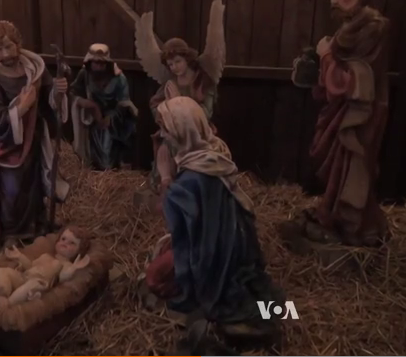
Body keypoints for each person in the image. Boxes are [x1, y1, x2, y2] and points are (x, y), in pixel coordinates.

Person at [144, 96, 285, 340]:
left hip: (207, 253)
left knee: (154, 277)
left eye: (166, 129)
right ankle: (277, 311)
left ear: (181, 132)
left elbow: (170, 218)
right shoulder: (214, 153)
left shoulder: (189, 182)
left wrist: (165, 176)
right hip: (236, 245)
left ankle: (244, 314)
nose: (162, 134)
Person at [285, 0, 390, 247]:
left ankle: (356, 225)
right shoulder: (348, 25)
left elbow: (356, 79)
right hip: (342, 109)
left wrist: (327, 56)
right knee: (336, 165)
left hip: (361, 114)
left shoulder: (372, 27)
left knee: (353, 164)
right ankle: (331, 212)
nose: (334, 1)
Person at [0, 20, 70, 244]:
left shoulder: (35, 70)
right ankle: (13, 232)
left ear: (18, 44)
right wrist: (21, 108)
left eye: (9, 46)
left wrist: (58, 92)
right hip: (8, 142)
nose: (5, 53)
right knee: (12, 188)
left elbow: (50, 100)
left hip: (34, 136)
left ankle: (37, 225)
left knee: (35, 182)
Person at [134, 0, 225, 195]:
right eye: (170, 64)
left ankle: (196, 189)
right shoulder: (171, 81)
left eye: (177, 62)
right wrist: (166, 114)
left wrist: (182, 109)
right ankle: (167, 186)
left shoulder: (203, 81)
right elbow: (155, 103)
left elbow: (206, 111)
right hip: (174, 132)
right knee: (165, 148)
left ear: (188, 59)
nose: (174, 67)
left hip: (199, 132)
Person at [70, 43, 138, 170]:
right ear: (89, 62)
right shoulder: (84, 74)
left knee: (107, 154)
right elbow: (73, 92)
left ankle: (109, 170)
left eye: (102, 63)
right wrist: (84, 102)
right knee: (90, 154)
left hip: (113, 122)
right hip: (91, 120)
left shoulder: (119, 79)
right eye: (95, 62)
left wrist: (111, 118)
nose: (99, 66)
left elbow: (124, 102)